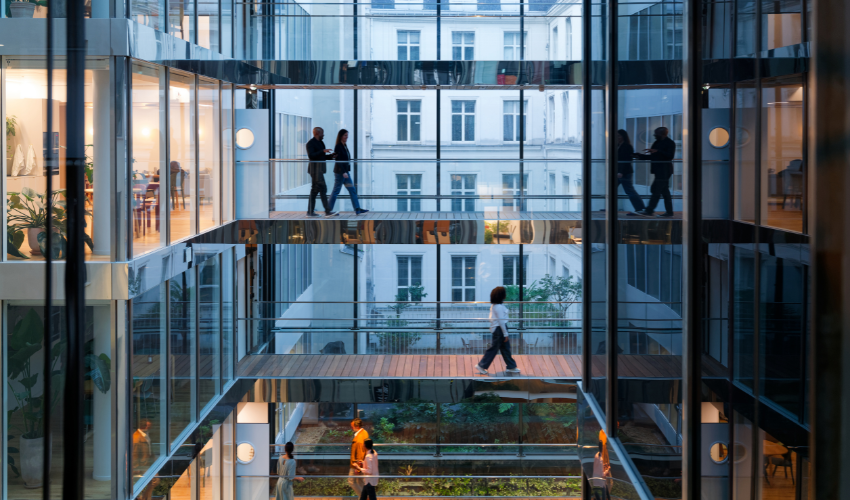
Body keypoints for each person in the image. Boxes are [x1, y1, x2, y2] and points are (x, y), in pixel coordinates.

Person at [475, 286, 521, 375]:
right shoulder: (498, 307)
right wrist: (505, 334)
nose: (506, 295)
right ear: (501, 295)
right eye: (504, 293)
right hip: (500, 330)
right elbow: (501, 321)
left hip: (498, 329)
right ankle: (481, 365)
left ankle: (511, 366)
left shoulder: (496, 306)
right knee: (494, 349)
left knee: (505, 348)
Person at [633, 126, 676, 217]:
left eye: (656, 134)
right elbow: (653, 156)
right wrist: (640, 156)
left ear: (663, 134)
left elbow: (670, 156)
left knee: (656, 190)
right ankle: (669, 212)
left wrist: (657, 151)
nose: (654, 135)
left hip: (664, 171)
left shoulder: (669, 143)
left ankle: (649, 210)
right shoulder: (657, 142)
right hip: (660, 171)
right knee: (664, 192)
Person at [328, 129, 369, 215]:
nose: (347, 137)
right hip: (340, 173)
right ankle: (328, 210)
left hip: (345, 173)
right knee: (336, 191)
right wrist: (343, 172)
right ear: (341, 136)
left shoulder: (344, 145)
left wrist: (346, 171)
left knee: (352, 190)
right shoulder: (338, 146)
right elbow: (338, 160)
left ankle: (357, 209)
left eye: (347, 135)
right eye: (345, 135)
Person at [306, 127, 338, 217]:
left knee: (315, 191)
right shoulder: (310, 143)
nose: (323, 135)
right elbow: (311, 155)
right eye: (322, 133)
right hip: (315, 170)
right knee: (323, 189)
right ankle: (327, 211)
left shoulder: (321, 143)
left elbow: (321, 156)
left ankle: (310, 212)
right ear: (317, 133)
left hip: (319, 170)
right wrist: (322, 151)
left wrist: (331, 156)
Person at [616, 130, 646, 214]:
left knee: (629, 191)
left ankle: (640, 208)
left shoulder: (627, 146)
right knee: (612, 190)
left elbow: (626, 160)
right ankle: (609, 207)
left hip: (624, 173)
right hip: (619, 172)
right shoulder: (618, 146)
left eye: (618, 136)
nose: (617, 137)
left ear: (623, 136)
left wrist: (621, 172)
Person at [348, 418, 370, 497]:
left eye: (352, 426)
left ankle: (363, 497)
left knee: (351, 481)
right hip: (362, 464)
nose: (351, 428)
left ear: (357, 426)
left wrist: (358, 468)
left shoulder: (359, 439)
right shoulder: (364, 432)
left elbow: (360, 454)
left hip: (355, 464)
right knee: (360, 481)